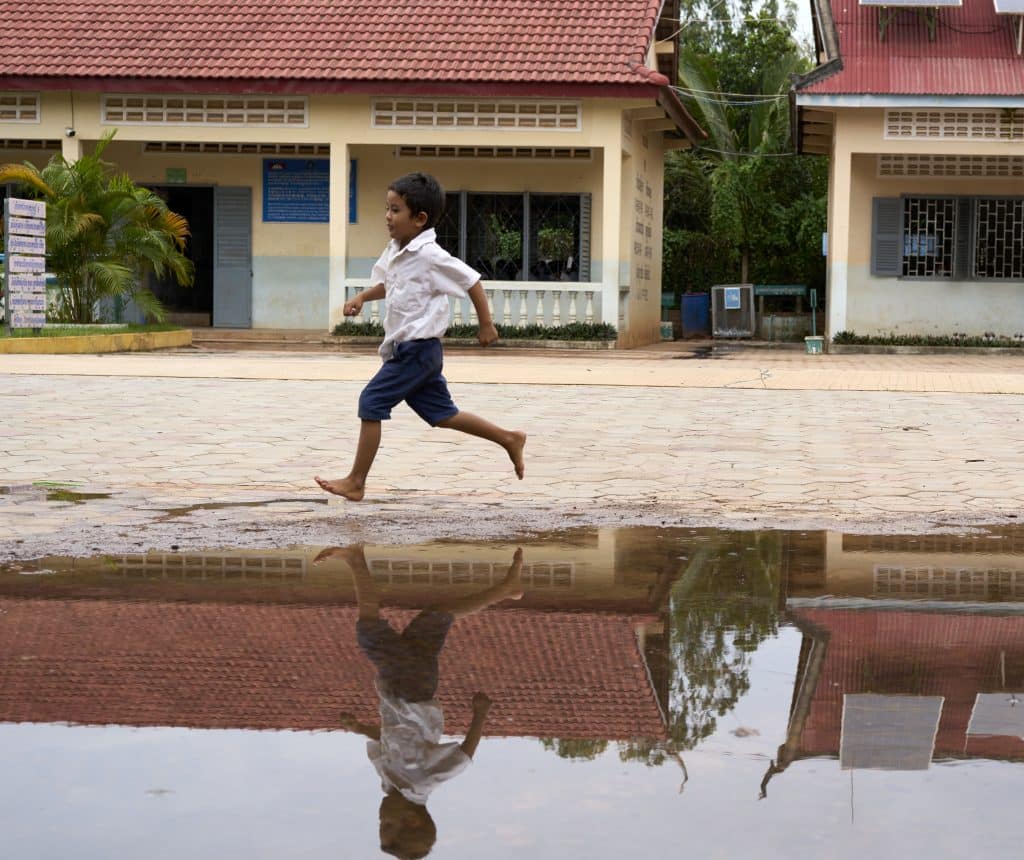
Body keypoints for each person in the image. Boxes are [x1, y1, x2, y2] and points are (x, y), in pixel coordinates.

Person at [314, 172, 526, 501]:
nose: (388, 216)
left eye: (395, 210)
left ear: (419, 219)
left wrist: (486, 324)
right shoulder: (396, 250)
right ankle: (509, 438)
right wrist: (362, 298)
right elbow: (389, 285)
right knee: (443, 415)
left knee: (371, 402)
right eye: (387, 208)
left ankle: (356, 481)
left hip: (418, 351)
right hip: (413, 352)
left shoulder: (430, 256)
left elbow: (471, 280)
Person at [316, 544, 524, 859]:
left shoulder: (389, 780)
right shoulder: (424, 781)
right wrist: (479, 714)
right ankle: (356, 559)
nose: (380, 817)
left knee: (435, 617)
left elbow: (387, 739)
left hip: (408, 684)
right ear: (411, 820)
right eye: (386, 824)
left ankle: (503, 590)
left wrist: (360, 728)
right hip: (412, 690)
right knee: (369, 633)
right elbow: (464, 757)